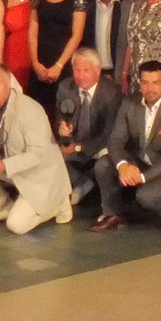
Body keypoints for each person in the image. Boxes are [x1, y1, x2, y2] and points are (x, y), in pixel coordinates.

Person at [90, 62, 161, 233]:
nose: (150, 88)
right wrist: (123, 165)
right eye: (145, 82)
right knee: (103, 165)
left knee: (146, 196)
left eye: (155, 83)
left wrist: (143, 177)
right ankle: (113, 214)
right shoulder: (130, 103)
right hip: (138, 160)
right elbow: (116, 139)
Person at [0, 64, 74, 234]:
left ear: (8, 83)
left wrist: (2, 165)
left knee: (16, 226)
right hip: (11, 166)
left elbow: (37, 155)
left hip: (40, 174)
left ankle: (58, 204)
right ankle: (4, 206)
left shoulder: (30, 110)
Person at [54, 49, 122, 210]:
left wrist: (79, 147)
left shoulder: (112, 93)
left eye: (86, 70)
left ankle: (110, 207)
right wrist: (62, 130)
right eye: (77, 70)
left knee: (105, 160)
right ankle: (80, 181)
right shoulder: (65, 87)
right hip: (74, 142)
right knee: (48, 154)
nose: (81, 76)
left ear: (98, 71)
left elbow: (110, 133)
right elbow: (59, 118)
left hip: (101, 143)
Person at [28, 0, 87, 110]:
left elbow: (77, 34)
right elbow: (33, 30)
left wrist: (59, 65)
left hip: (64, 61)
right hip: (40, 61)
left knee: (63, 109)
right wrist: (35, 62)